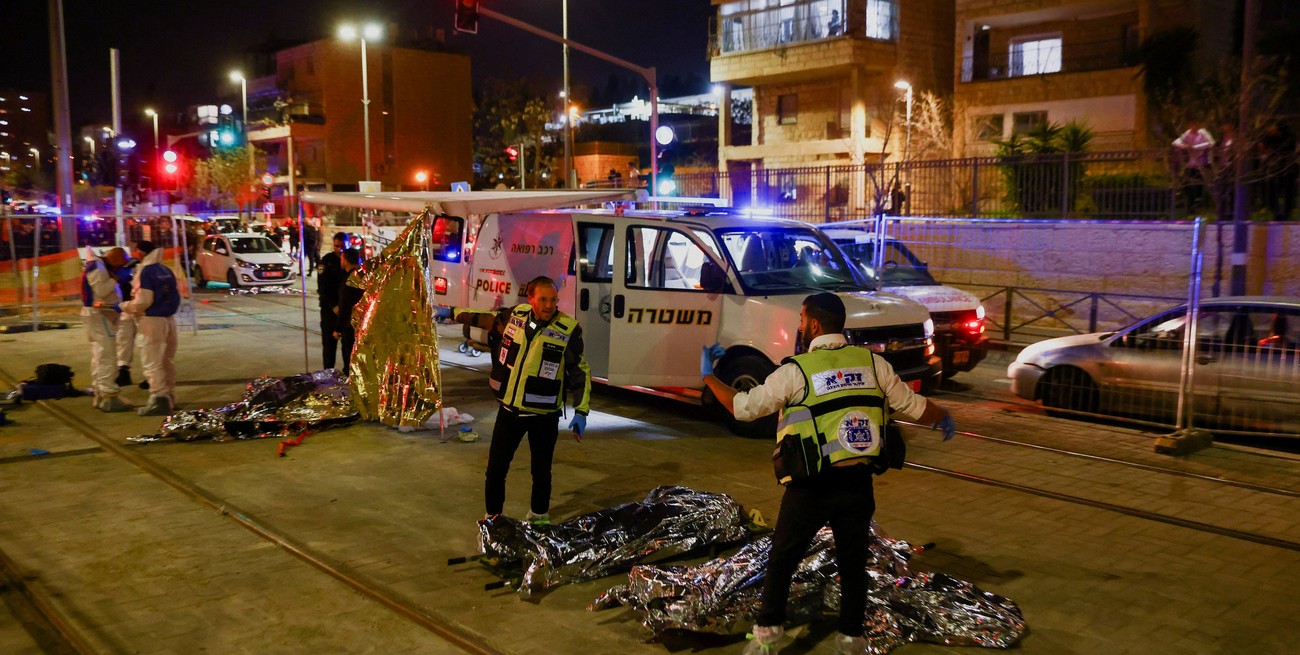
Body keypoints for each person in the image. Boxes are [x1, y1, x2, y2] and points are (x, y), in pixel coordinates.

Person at [702, 292, 956, 655]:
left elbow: (743, 408)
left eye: (802, 319)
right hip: (857, 484)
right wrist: (942, 415)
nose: (799, 325)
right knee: (853, 563)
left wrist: (708, 376)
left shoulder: (796, 371)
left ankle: (768, 635)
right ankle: (851, 639)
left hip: (811, 486)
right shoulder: (873, 364)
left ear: (814, 324)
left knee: (783, 558)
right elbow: (913, 406)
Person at [437, 276, 592, 523]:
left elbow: (579, 371)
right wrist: (452, 312)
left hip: (544, 417)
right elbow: (484, 319)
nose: (549, 305)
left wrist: (581, 411)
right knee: (495, 471)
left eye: (553, 300)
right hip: (509, 412)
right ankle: (493, 521)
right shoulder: (515, 316)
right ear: (531, 299)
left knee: (541, 473)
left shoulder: (568, 329)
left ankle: (539, 519)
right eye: (543, 299)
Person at [119, 240, 181, 416]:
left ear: (140, 252)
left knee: (152, 362)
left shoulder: (146, 272)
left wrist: (123, 306)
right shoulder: (165, 270)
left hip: (151, 321)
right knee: (166, 361)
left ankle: (159, 399)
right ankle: (169, 397)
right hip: (169, 320)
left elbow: (143, 301)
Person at [82, 247, 131, 412]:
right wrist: (115, 279)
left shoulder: (99, 266)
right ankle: (109, 394)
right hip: (100, 315)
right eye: (121, 263)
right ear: (115, 259)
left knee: (100, 354)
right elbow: (101, 290)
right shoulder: (97, 266)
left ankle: (101, 392)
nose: (121, 267)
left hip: (100, 315)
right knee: (107, 354)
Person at [318, 232, 348, 370]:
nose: (340, 249)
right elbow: (323, 288)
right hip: (329, 310)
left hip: (346, 309)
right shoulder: (326, 261)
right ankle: (328, 372)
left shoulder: (351, 260)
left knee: (348, 346)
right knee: (329, 346)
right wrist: (334, 306)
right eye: (337, 246)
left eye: (342, 246)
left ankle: (347, 373)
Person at [332, 248, 364, 376]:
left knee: (349, 359)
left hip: (350, 326)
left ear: (345, 260)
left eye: (342, 258)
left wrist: (338, 329)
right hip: (363, 325)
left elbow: (346, 306)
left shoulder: (350, 279)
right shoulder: (363, 275)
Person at [113, 253, 142, 388]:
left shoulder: (136, 269)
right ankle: (124, 371)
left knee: (144, 343)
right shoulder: (123, 271)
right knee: (124, 340)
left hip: (137, 309)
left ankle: (151, 376)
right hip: (127, 309)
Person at [1172, 123, 1215, 212]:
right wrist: (1184, 146)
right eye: (1191, 125)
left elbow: (1211, 143)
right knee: (1186, 182)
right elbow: (1175, 142)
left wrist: (1195, 147)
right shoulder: (1188, 133)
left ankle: (1198, 199)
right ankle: (1191, 204)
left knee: (1199, 182)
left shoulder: (1202, 132)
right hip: (1191, 163)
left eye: (1195, 125)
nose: (1193, 127)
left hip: (1201, 163)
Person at [1259, 121, 1297, 221]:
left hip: (1286, 167)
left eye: (1274, 128)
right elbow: (1263, 145)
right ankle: (1277, 211)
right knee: (1272, 189)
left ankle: (1285, 212)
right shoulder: (1270, 137)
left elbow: (1289, 148)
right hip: (1275, 168)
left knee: (1287, 190)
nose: (1272, 130)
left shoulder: (1289, 137)